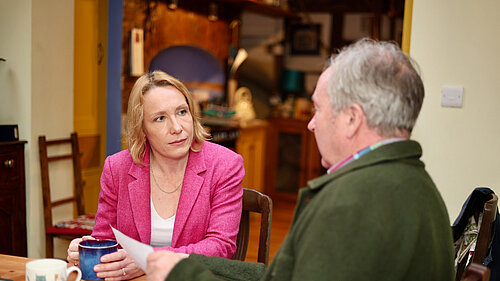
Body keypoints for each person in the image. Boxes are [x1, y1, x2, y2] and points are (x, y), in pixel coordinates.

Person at [145, 38, 456, 281]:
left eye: (318, 109)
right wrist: (190, 261)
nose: (311, 123)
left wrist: (181, 275)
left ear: (351, 119)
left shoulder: (352, 202)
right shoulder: (414, 182)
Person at [66, 70, 245, 280]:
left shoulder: (225, 165)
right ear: (142, 129)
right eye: (160, 118)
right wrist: (87, 252)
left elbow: (220, 247)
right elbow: (105, 238)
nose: (177, 128)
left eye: (182, 112)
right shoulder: (117, 168)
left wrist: (148, 261)